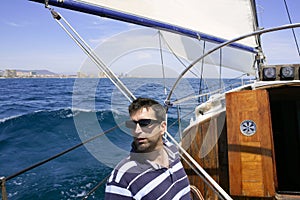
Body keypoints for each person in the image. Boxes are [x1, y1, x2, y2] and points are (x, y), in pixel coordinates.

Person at [105, 97, 191, 199]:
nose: (137, 130)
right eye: (132, 124)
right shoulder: (123, 178)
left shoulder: (172, 150)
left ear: (162, 127)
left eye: (144, 123)